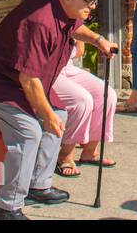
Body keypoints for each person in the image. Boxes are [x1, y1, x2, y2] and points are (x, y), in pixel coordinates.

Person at [0, 0, 114, 220]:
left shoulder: (62, 8)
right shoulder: (40, 20)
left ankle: (37, 184)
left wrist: (98, 40)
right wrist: (45, 115)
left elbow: (75, 27)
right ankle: (6, 207)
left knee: (60, 115)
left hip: (17, 81)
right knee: (29, 132)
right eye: (89, 0)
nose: (92, 5)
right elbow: (29, 78)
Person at [50, 40, 117, 177]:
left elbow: (79, 51)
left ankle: (90, 152)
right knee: (82, 100)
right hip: (47, 70)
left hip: (67, 67)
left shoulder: (75, 20)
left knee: (107, 94)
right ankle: (65, 156)